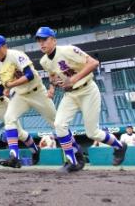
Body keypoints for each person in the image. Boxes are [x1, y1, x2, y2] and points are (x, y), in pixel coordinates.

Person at [36, 26, 127, 173]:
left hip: (88, 90)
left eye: (45, 39)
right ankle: (72, 161)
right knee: (59, 125)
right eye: (39, 40)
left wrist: (73, 79)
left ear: (53, 40)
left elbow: (93, 63)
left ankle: (120, 146)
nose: (41, 43)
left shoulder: (68, 50)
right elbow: (52, 74)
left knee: (93, 133)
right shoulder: (44, 61)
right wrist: (53, 87)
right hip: (70, 95)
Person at [0, 35, 57, 168]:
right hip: (21, 95)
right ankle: (14, 157)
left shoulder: (16, 55)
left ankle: (75, 153)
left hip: (37, 92)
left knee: (56, 123)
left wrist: (11, 85)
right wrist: (8, 88)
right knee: (9, 118)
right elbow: (9, 81)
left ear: (5, 47)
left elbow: (29, 75)